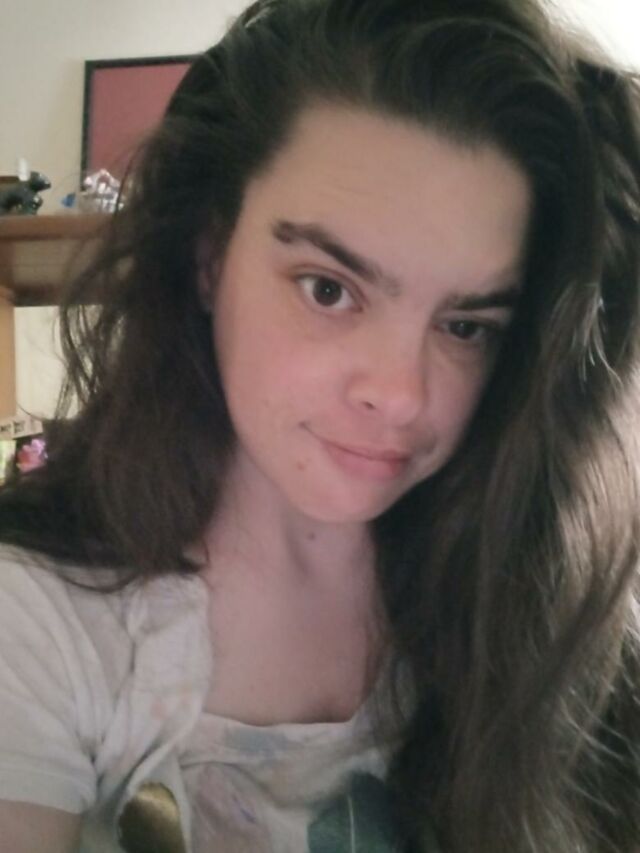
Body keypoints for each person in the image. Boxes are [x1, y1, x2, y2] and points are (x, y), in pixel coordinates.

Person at [1, 0, 639, 850]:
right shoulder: (38, 623)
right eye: (329, 288)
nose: (401, 394)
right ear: (209, 257)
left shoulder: (540, 601)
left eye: (465, 325)